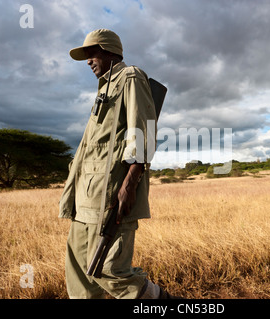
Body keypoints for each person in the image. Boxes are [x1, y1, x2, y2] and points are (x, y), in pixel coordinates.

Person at [58, 29, 177, 299]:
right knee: (80, 276)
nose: (88, 61)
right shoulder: (105, 87)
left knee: (109, 271)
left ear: (109, 50)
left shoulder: (130, 77)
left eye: (92, 53)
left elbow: (143, 134)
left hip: (109, 197)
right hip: (85, 198)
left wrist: (129, 186)